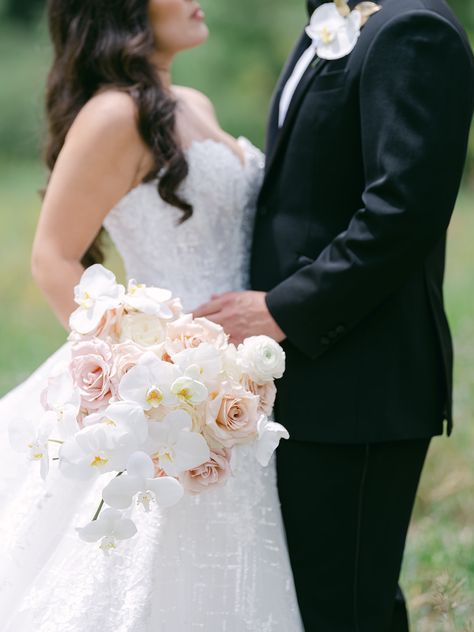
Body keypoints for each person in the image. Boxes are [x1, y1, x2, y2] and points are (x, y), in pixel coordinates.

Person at [0, 1, 304, 630]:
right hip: (169, 393)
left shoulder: (193, 101)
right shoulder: (115, 113)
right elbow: (53, 256)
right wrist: (140, 381)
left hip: (237, 384)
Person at [194, 0, 474, 629]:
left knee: (343, 608)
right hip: (307, 375)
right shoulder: (332, 20)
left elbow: (403, 212)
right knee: (334, 601)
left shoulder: (412, 29)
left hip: (361, 381)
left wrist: (281, 308)